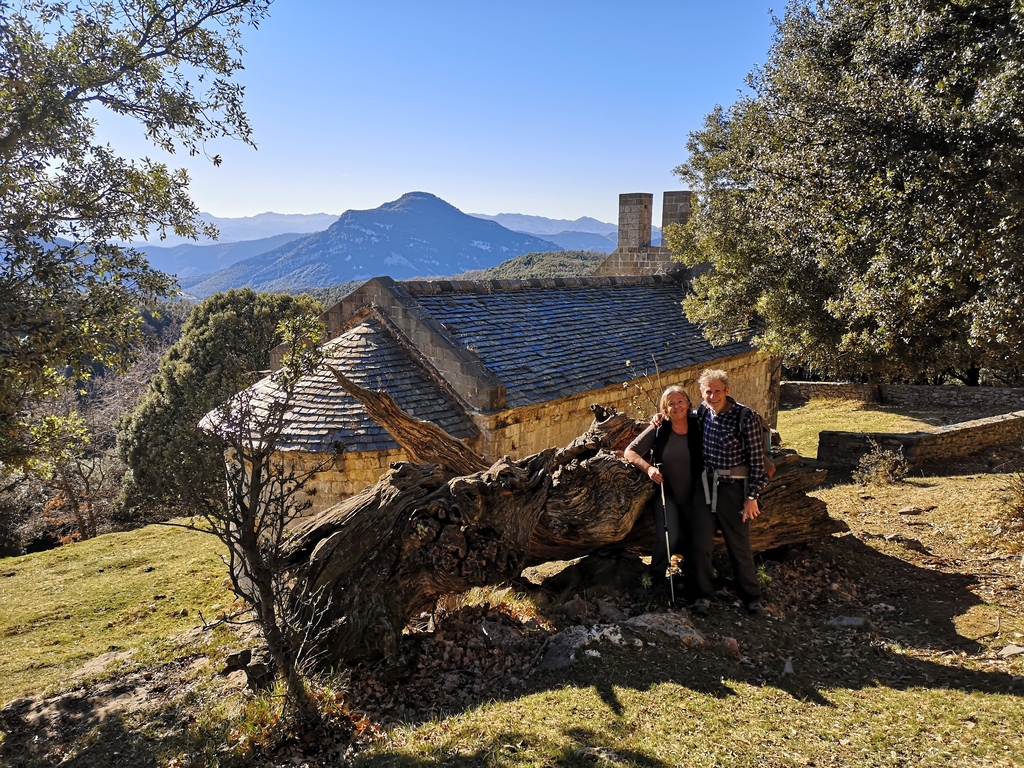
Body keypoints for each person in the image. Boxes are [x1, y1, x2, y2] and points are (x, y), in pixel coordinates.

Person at [690, 368, 769, 615]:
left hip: (733, 488)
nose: (712, 396)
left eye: (717, 391)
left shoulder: (745, 417)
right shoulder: (704, 411)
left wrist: (752, 497)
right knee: (700, 542)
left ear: (727, 390)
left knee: (739, 543)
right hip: (705, 486)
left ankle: (751, 596)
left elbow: (757, 462)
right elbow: (680, 415)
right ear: (702, 394)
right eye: (707, 392)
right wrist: (659, 419)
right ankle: (702, 595)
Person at [623, 385, 703, 604]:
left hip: (695, 495)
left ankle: (694, 581)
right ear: (664, 409)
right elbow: (629, 451)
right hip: (666, 494)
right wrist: (648, 468)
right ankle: (655, 580)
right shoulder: (659, 428)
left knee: (696, 538)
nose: (676, 406)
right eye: (671, 403)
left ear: (688, 403)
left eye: (680, 401)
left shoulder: (700, 424)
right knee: (668, 536)